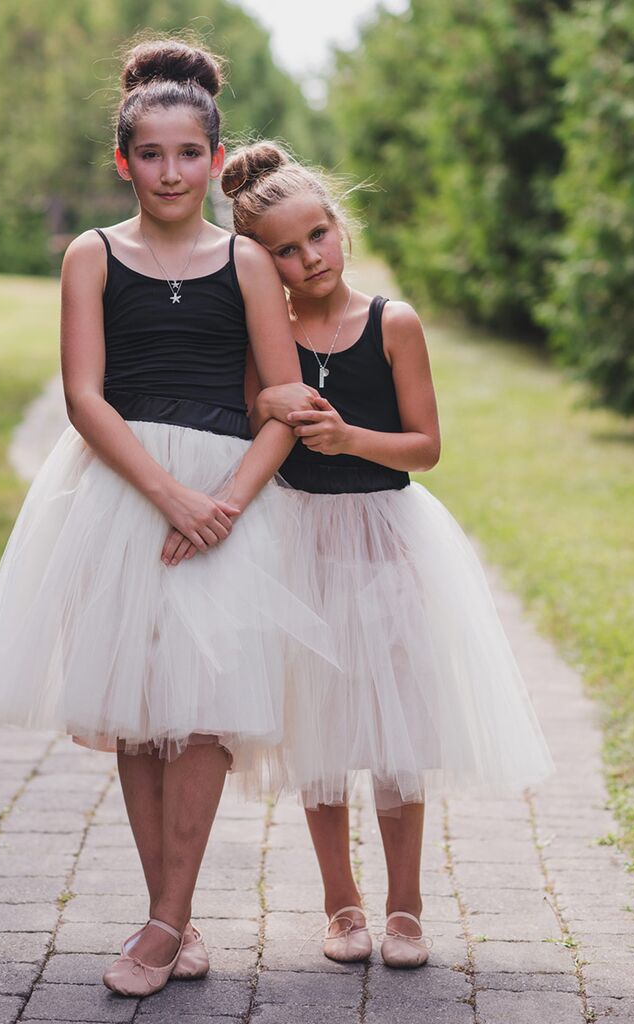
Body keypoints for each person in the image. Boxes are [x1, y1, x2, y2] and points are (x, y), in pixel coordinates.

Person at [0, 44, 334, 998]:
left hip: (226, 498)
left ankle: (165, 921)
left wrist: (226, 506)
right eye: (152, 155)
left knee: (202, 713)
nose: (171, 172)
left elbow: (284, 399)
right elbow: (84, 397)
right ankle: (174, 914)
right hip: (125, 493)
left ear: (214, 158)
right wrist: (167, 498)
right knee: (139, 712)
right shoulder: (93, 255)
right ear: (123, 161)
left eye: (189, 154)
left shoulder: (247, 262)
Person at [217, 142, 554, 969]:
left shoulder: (392, 324)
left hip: (385, 539)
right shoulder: (269, 334)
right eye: (287, 252)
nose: (310, 258)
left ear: (341, 226)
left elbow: (426, 448)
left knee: (396, 733)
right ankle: (343, 907)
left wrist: (346, 437)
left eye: (319, 234)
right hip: (297, 543)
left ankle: (405, 908)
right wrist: (266, 393)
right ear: (266, 267)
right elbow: (245, 414)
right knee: (320, 732)